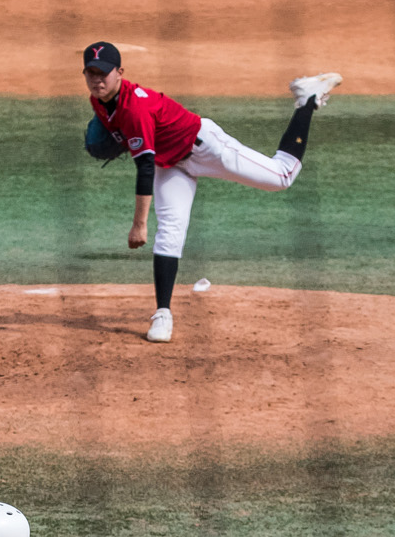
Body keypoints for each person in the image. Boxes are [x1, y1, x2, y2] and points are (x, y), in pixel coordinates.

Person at [82, 41, 342, 344]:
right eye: (91, 73)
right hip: (173, 164)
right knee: (170, 230)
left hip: (206, 148)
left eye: (104, 73)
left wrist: (139, 224)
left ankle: (307, 99)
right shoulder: (98, 100)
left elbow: (145, 168)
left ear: (120, 73)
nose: (98, 79)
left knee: (282, 177)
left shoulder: (135, 107)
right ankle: (162, 313)